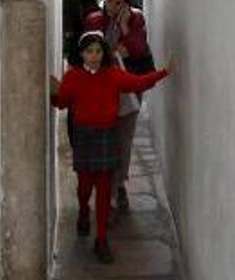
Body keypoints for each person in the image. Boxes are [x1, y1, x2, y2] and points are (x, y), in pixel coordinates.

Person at [50, 31, 169, 263]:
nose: (94, 56)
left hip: (106, 136)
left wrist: (164, 72)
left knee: (104, 189)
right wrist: (52, 92)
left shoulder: (113, 75)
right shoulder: (73, 77)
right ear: (81, 54)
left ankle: (101, 239)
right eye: (89, 51)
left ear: (104, 53)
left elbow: (138, 82)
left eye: (98, 51)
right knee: (84, 187)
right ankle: (84, 212)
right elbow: (63, 103)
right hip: (84, 137)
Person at [102, 0, 155, 213]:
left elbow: (140, 49)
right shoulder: (98, 19)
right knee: (106, 140)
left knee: (123, 139)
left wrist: (124, 27)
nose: (112, 6)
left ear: (126, 3)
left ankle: (115, 190)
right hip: (104, 89)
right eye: (109, 0)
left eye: (117, 2)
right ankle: (114, 186)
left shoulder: (135, 19)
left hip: (129, 89)